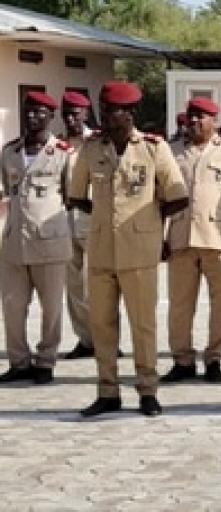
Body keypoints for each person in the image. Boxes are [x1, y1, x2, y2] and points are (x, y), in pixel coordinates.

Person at [68, 81, 189, 417]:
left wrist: (151, 218)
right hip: (103, 249)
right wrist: (104, 217)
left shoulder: (153, 148)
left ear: (130, 113)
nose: (106, 117)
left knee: (143, 324)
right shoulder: (92, 149)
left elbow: (178, 196)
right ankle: (107, 391)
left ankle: (148, 390)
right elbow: (76, 195)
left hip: (140, 250)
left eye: (112, 111)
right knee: (102, 324)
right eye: (104, 111)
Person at [162, 97, 221, 385]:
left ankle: (214, 358)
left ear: (214, 120)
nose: (195, 121)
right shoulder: (171, 151)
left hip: (219, 239)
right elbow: (160, 198)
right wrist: (162, 237)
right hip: (180, 236)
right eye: (191, 117)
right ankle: (182, 360)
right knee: (179, 304)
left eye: (202, 117)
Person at [0, 91, 74, 385]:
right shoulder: (9, 152)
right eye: (28, 111)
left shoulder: (64, 153)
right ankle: (18, 361)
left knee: (51, 307)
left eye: (39, 112)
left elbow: (70, 196)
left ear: (50, 117)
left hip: (50, 243)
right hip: (14, 242)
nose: (32, 117)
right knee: (12, 305)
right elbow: (9, 190)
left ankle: (46, 361)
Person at [59, 90, 96, 360]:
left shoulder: (96, 142)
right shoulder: (58, 145)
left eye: (76, 113)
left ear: (86, 113)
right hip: (62, 222)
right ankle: (85, 340)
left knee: (96, 286)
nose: (71, 118)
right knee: (73, 286)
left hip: (92, 220)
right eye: (66, 114)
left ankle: (106, 339)